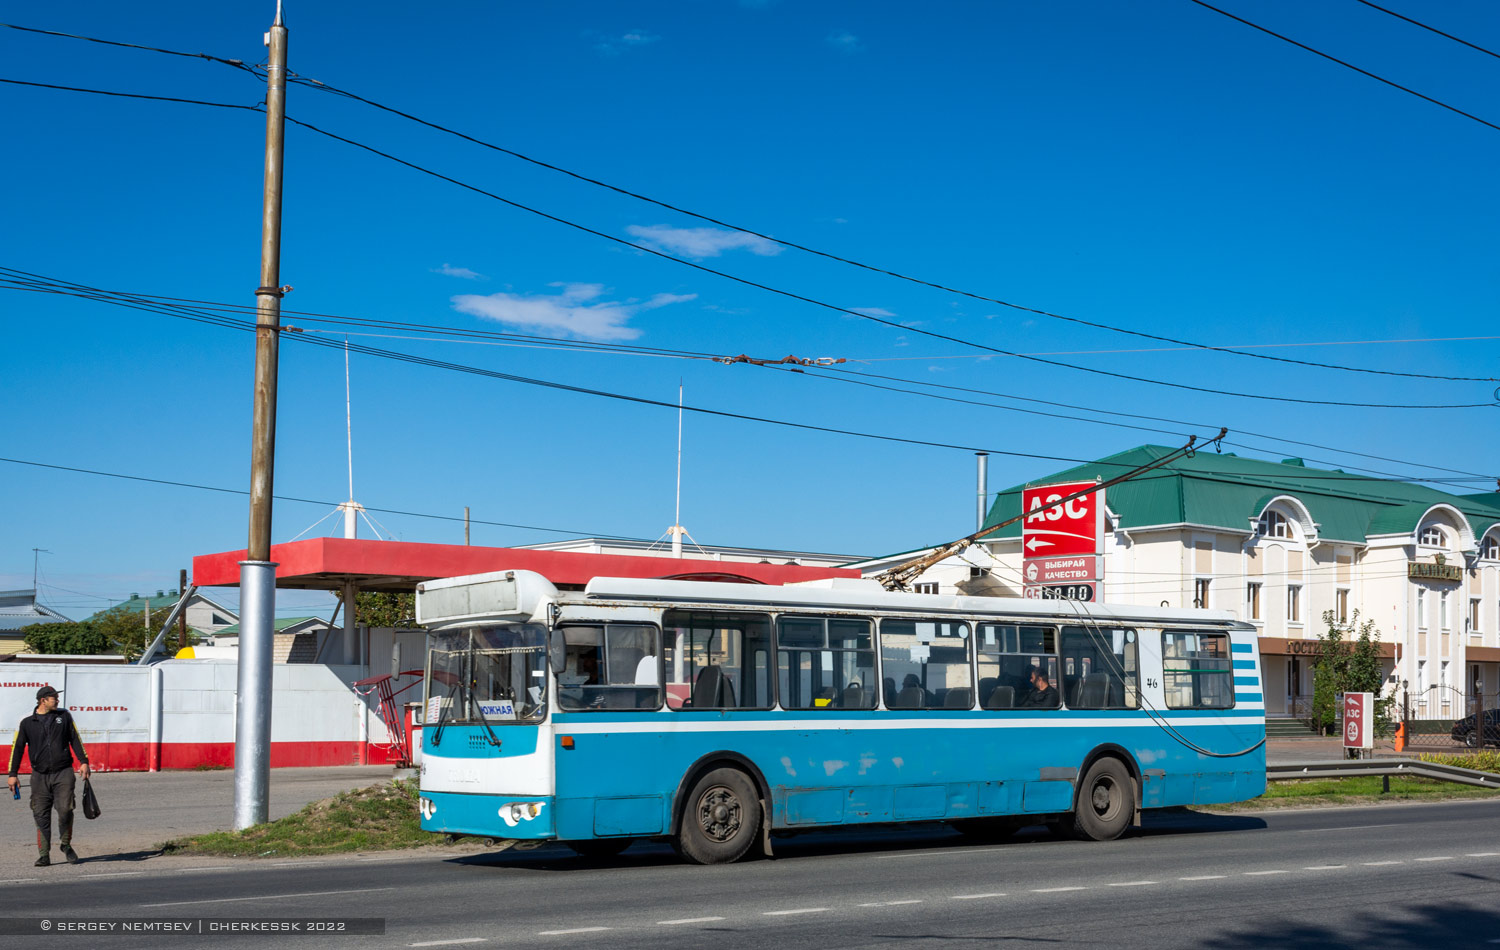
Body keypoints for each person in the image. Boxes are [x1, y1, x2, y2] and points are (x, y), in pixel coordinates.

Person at [7, 686, 89, 866]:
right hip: (39, 776)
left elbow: (75, 739)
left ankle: (66, 845)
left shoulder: (64, 716)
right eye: (54, 698)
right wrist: (13, 774)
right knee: (40, 814)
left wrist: (83, 761)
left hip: (63, 772)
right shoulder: (26, 721)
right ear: (43, 700)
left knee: (66, 810)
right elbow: (17, 748)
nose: (58, 701)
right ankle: (44, 855)